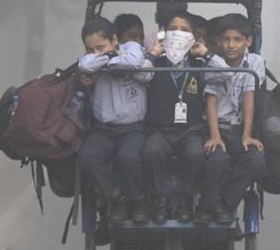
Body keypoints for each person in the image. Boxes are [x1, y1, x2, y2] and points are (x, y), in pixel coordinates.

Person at [139, 11, 222, 223]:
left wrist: (206, 53)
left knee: (195, 154)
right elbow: (140, 75)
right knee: (151, 152)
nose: (178, 34)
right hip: (159, 129)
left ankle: (186, 200)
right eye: (173, 29)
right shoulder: (156, 62)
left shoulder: (200, 63)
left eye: (185, 31)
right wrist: (152, 54)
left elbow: (227, 73)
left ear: (193, 37)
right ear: (164, 34)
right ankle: (160, 199)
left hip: (190, 131)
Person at [77, 17, 150, 223]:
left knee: (128, 158)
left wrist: (103, 61)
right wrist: (108, 55)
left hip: (133, 128)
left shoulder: (132, 47)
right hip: (104, 128)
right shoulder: (92, 58)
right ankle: (116, 197)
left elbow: (134, 62)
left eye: (101, 46)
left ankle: (139, 199)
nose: (95, 53)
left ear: (115, 39)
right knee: (87, 157)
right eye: (91, 49)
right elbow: (85, 64)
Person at [197, 13, 267, 224]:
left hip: (238, 128)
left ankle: (224, 203)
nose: (231, 45)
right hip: (212, 126)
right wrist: (215, 136)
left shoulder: (254, 62)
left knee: (256, 161)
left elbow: (249, 97)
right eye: (226, 40)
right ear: (219, 41)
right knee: (218, 159)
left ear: (248, 41)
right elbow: (211, 100)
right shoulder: (213, 62)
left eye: (237, 40)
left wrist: (247, 135)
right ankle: (205, 207)